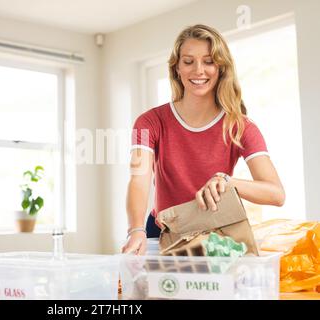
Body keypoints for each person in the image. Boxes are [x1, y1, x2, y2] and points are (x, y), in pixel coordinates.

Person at [122, 24, 285, 255]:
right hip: (161, 232)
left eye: (209, 61)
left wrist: (228, 182)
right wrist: (135, 229)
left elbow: (276, 194)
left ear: (221, 68)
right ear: (177, 68)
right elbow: (138, 180)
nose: (198, 70)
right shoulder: (148, 122)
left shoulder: (242, 127)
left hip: (216, 240)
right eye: (188, 62)